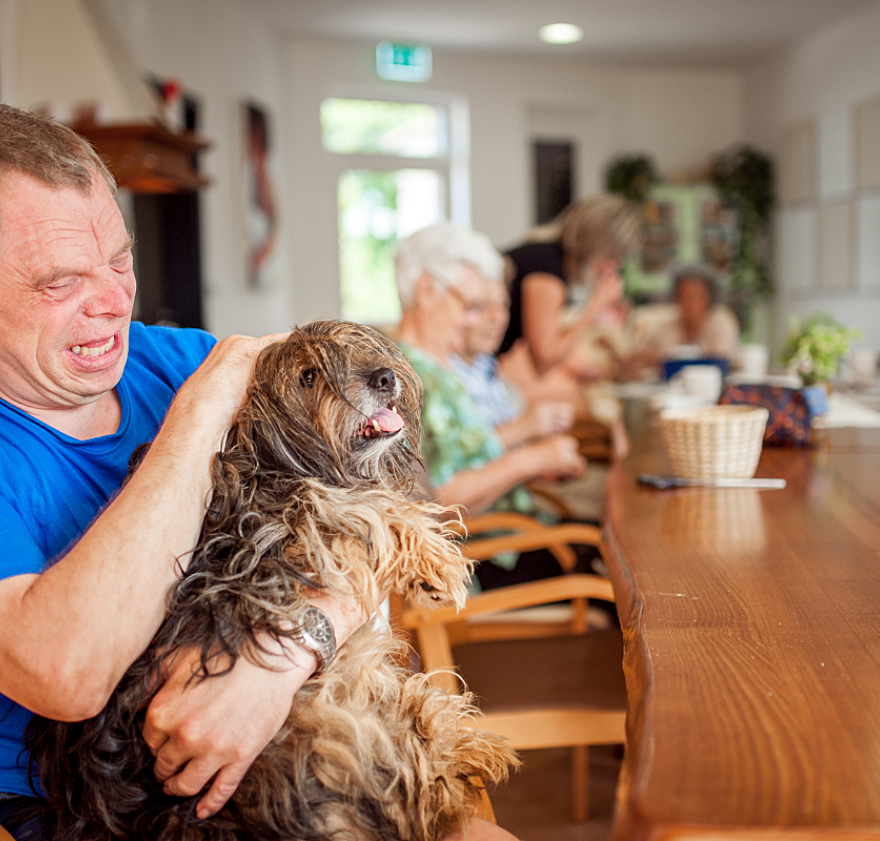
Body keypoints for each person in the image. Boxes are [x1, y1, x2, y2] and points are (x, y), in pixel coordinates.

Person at [0, 105, 515, 841]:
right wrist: (200, 414)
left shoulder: (178, 357)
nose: (116, 304)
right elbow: (67, 672)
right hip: (123, 807)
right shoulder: (205, 380)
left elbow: (387, 511)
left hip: (316, 730)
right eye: (60, 281)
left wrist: (282, 654)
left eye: (120, 260)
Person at [393, 221, 590, 591]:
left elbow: (468, 459)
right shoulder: (409, 379)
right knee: (614, 571)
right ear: (426, 291)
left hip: (509, 537)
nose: (474, 321)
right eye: (471, 305)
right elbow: (436, 505)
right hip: (482, 561)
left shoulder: (441, 371)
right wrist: (531, 460)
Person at [497, 194, 643, 389]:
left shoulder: (547, 256)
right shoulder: (547, 273)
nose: (616, 266)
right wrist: (595, 306)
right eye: (615, 256)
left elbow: (552, 343)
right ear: (596, 247)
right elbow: (544, 362)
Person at [449, 270, 577, 449]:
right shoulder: (439, 376)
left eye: (503, 306)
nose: (497, 318)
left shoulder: (487, 367)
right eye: (480, 306)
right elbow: (453, 458)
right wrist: (524, 429)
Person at [645, 264, 740, 361]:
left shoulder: (721, 320)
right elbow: (643, 355)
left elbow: (720, 358)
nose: (689, 303)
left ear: (709, 298)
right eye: (682, 296)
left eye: (695, 296)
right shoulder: (667, 326)